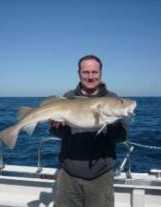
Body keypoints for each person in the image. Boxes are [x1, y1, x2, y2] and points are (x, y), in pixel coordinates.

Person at [50, 55, 128, 207]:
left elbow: (121, 137)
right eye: (86, 72)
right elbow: (58, 135)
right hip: (68, 175)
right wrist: (56, 127)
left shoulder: (112, 99)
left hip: (100, 176)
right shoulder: (68, 97)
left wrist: (113, 124)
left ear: (101, 73)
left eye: (94, 72)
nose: (90, 76)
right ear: (79, 73)